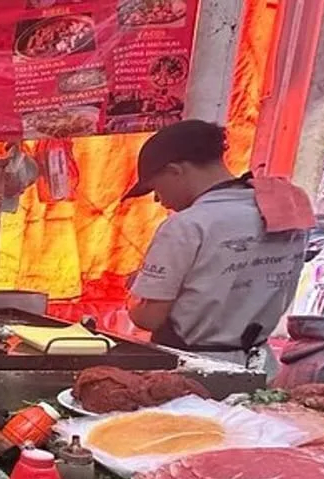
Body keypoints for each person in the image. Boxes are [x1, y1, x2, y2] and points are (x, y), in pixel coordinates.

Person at [124, 119, 309, 371]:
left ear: (175, 171)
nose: (158, 199)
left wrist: (136, 293)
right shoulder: (287, 208)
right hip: (259, 366)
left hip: (192, 370)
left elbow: (149, 318)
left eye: (155, 187)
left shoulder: (187, 225)